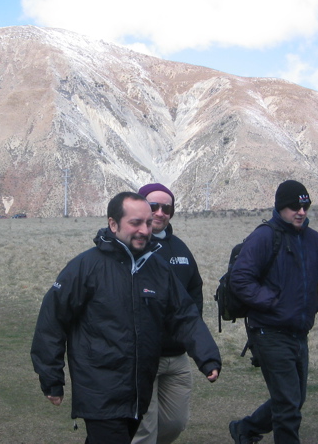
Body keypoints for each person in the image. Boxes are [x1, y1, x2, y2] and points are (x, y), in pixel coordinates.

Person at [31, 192, 221, 444]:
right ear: (113, 224)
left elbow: (184, 314)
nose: (144, 230)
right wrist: (52, 378)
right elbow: (52, 321)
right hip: (100, 387)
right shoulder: (86, 267)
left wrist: (207, 357)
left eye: (148, 223)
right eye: (135, 223)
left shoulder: (158, 268)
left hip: (139, 387)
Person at [228, 180, 318, 444]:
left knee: (294, 398)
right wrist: (273, 302)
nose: (300, 212)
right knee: (288, 405)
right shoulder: (264, 236)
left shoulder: (311, 239)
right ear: (280, 207)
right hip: (269, 332)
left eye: (305, 206)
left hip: (299, 333)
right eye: (294, 206)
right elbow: (240, 279)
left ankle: (246, 428)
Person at [132, 183, 204, 444]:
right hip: (140, 356)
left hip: (177, 356)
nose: (160, 213)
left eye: (167, 208)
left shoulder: (181, 249)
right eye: (153, 206)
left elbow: (195, 289)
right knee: (144, 428)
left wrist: (191, 333)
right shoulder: (130, 248)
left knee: (175, 423)